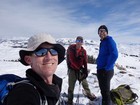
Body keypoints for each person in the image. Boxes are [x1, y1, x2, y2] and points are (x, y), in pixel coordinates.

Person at [4, 33, 65, 105]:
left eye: (53, 51)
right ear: (28, 60)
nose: (49, 57)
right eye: (41, 52)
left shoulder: (55, 86)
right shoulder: (24, 93)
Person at [66, 36, 96, 105]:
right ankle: (70, 101)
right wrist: (80, 69)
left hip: (80, 70)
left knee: (85, 83)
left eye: (80, 41)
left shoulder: (83, 51)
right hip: (72, 70)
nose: (79, 43)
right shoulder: (71, 49)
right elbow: (72, 60)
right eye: (78, 41)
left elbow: (85, 61)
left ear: (82, 43)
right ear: (76, 41)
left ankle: (89, 94)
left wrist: (85, 70)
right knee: (71, 87)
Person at [96, 25, 118, 105]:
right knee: (103, 90)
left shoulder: (109, 40)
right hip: (102, 69)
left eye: (103, 31)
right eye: (100, 31)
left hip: (105, 71)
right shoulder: (103, 42)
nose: (101, 32)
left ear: (106, 32)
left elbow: (115, 54)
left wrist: (107, 67)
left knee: (105, 93)